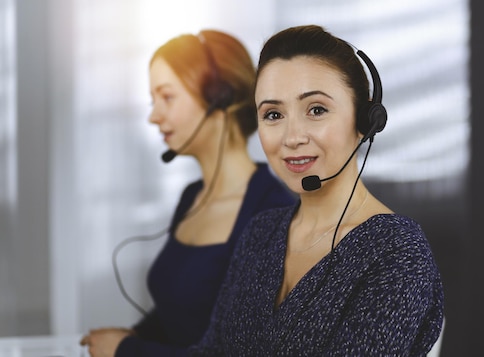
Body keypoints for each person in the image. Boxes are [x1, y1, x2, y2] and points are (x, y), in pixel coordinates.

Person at [190, 24, 444, 356]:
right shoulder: (260, 233)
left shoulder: (397, 251)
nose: (292, 137)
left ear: (365, 120)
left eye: (316, 110)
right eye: (273, 114)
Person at [79, 29, 295, 357]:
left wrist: (127, 350)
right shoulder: (191, 197)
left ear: (218, 97)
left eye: (167, 97)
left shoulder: (272, 211)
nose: (153, 116)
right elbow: (182, 308)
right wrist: (134, 335)